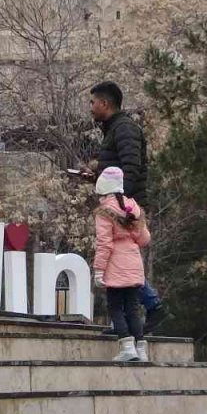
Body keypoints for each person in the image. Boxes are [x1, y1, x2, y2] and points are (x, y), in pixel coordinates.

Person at [89, 81, 170, 334]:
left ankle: (153, 305)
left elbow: (130, 168)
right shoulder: (114, 129)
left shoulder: (124, 129)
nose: (90, 108)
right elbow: (116, 170)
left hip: (126, 207)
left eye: (92, 102)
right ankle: (124, 323)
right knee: (121, 261)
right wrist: (95, 175)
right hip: (121, 204)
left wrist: (123, 204)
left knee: (121, 260)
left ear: (104, 103)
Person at [92, 167, 152, 362]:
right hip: (134, 263)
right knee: (133, 307)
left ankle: (127, 346)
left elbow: (104, 243)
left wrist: (99, 270)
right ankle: (141, 347)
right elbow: (144, 239)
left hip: (115, 265)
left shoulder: (104, 211)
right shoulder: (133, 207)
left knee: (115, 307)